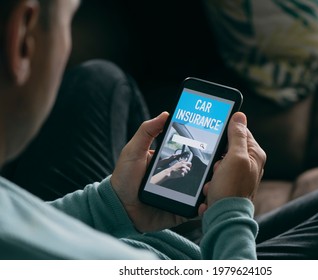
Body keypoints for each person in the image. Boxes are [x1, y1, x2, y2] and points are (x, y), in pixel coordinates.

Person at [0, 0, 266, 259]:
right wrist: (231, 214)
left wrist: (114, 205)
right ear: (23, 37)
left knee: (99, 78)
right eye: (68, 19)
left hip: (132, 229)